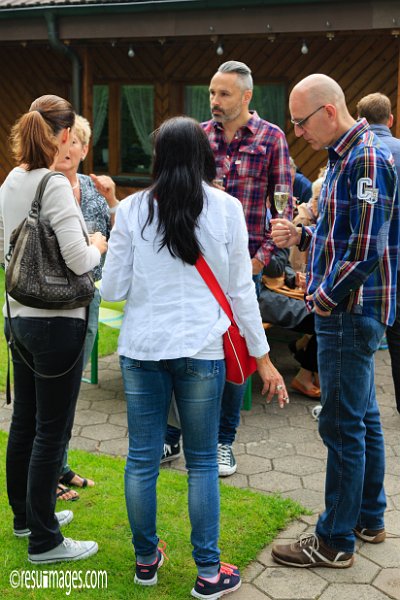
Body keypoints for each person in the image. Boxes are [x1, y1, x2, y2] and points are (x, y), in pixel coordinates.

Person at [100, 116, 289, 597]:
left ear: (158, 157)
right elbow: (240, 292)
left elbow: (114, 289)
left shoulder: (133, 210)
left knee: (141, 460)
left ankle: (147, 561)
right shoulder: (226, 208)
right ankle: (209, 572)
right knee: (203, 461)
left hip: (142, 347)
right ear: (204, 156)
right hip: (204, 349)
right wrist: (263, 358)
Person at [270, 74, 399, 568]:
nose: (297, 131)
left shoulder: (365, 157)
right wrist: (302, 239)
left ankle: (334, 541)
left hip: (348, 312)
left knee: (341, 427)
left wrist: (321, 298)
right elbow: (342, 234)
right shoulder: (346, 154)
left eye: (300, 122)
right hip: (350, 309)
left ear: (328, 112)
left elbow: (366, 249)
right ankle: (368, 516)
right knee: (362, 417)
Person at [164, 60, 293, 476]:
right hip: (195, 266)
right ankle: (172, 435)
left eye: (223, 94)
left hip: (244, 267)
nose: (215, 102)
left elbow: (284, 205)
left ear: (246, 96)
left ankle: (223, 441)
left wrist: (259, 258)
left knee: (234, 352)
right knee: (182, 344)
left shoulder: (272, 138)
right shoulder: (200, 136)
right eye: (212, 94)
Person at [0, 95, 107, 563]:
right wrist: (98, 242)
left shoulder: (12, 180)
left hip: (18, 318)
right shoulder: (54, 185)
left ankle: (27, 516)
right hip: (58, 323)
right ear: (64, 136)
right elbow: (80, 260)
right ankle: (45, 540)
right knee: (51, 430)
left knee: (24, 423)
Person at [54, 115, 115, 501]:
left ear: (84, 148)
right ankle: (49, 477)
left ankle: (59, 466)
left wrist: (110, 201)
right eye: (61, 141)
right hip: (50, 306)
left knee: (70, 390)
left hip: (86, 300)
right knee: (50, 394)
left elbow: (114, 237)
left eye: (74, 141)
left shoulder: (92, 191)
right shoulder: (40, 188)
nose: (67, 148)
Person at [356, 92, 400, 415]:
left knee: (360, 342)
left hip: (365, 262)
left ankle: (362, 404)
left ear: (360, 119)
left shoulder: (359, 153)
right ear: (391, 119)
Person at [258, 249, 320, 398]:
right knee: (320, 318)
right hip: (258, 295)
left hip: (273, 289)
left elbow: (281, 265)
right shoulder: (251, 230)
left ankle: (304, 359)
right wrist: (279, 244)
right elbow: (274, 267)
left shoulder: (265, 230)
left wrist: (293, 278)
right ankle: (306, 374)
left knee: (328, 310)